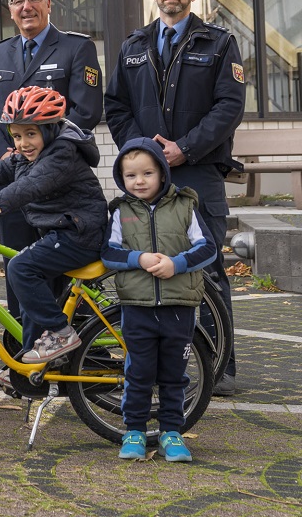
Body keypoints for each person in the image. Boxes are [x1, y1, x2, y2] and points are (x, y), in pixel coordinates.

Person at [104, 0, 244, 397]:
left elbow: (229, 106)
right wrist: (144, 152)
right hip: (148, 177)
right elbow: (116, 106)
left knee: (205, 266)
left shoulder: (219, 43)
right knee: (147, 264)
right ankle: (153, 364)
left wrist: (183, 148)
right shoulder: (133, 45)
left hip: (198, 172)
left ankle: (217, 369)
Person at [0, 86, 107, 389]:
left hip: (80, 234)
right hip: (62, 231)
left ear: (50, 130)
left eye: (30, 134)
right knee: (29, 299)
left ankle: (61, 334)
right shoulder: (30, 156)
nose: (23, 143)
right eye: (16, 136)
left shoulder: (61, 154)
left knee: (21, 269)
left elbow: (28, 188)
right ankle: (27, 372)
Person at [103, 138, 217, 463]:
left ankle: (171, 432)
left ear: (163, 173)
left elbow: (207, 247)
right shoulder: (120, 211)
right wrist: (137, 258)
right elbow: (108, 253)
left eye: (147, 173)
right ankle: (134, 430)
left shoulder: (185, 205)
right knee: (138, 372)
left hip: (179, 306)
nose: (139, 181)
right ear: (121, 178)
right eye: (131, 176)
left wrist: (175, 264)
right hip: (136, 307)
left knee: (174, 374)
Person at [0, 0, 102, 253]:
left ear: (48, 4)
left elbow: (86, 111)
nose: (26, 7)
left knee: (57, 272)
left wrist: (43, 155)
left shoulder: (77, 47)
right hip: (11, 181)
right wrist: (6, 154)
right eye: (18, 1)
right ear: (10, 10)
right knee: (16, 261)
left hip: (56, 184)